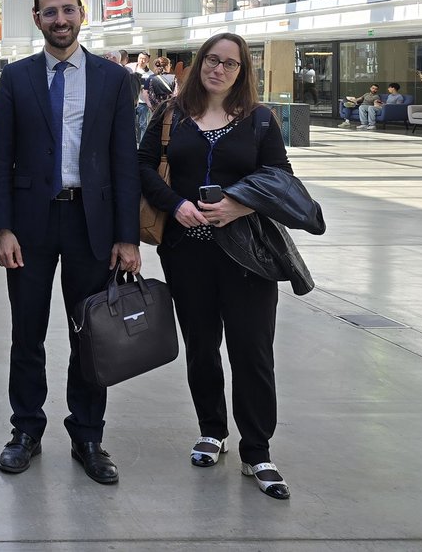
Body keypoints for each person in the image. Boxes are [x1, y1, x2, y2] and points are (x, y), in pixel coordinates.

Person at [0, 0, 141, 486]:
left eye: (68, 10)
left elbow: (124, 162)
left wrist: (128, 237)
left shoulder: (115, 81)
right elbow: (2, 158)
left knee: (90, 335)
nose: (60, 20)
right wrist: (3, 227)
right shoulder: (16, 77)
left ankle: (88, 436)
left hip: (91, 224)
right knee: (25, 333)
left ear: (82, 15)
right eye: (49, 12)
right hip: (30, 224)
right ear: (37, 19)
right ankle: (26, 430)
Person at [137, 31, 295, 501]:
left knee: (251, 350)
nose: (219, 69)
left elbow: (280, 177)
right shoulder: (170, 114)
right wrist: (176, 203)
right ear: (198, 64)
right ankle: (212, 430)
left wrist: (239, 205)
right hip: (187, 252)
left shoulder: (260, 120)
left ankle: (258, 450)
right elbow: (143, 167)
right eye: (211, 59)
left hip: (248, 254)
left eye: (230, 63)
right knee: (201, 345)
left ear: (242, 71)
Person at [132, 52, 153, 142]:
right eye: (140, 58)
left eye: (144, 59)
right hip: (131, 102)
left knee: (143, 124)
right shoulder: (131, 69)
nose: (142, 61)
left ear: (148, 60)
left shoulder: (150, 74)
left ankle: (141, 145)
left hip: (143, 103)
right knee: (132, 125)